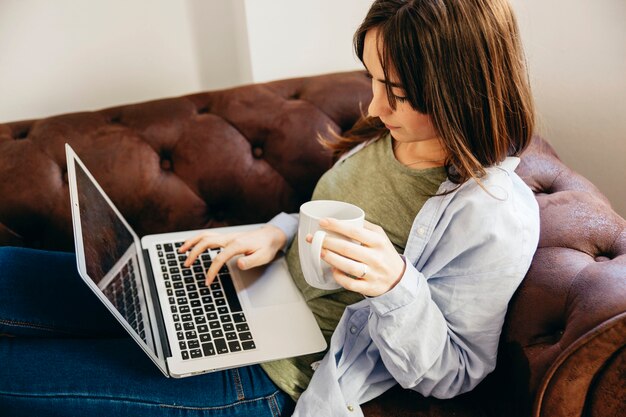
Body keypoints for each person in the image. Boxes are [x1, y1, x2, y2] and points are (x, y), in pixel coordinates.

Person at [0, 0, 540, 416]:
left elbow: (454, 372)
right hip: (243, 284)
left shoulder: (493, 215)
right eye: (374, 78)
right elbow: (328, 214)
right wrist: (277, 233)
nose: (375, 105)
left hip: (268, 372)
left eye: (396, 91)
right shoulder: (390, 131)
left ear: (459, 93)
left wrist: (397, 284)